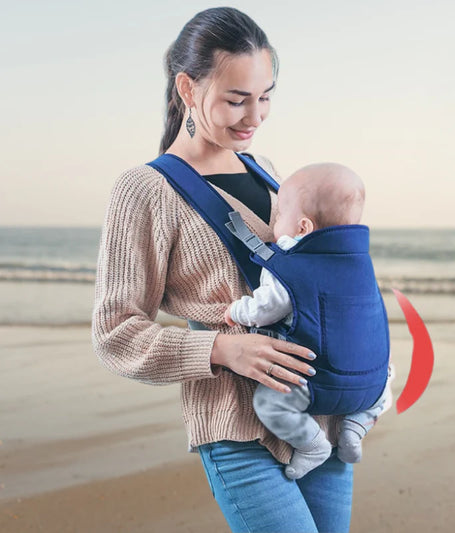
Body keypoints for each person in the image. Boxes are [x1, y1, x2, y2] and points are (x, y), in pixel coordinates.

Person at [92, 7, 356, 533]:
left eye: (265, 96)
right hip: (236, 428)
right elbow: (114, 333)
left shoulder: (271, 175)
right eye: (236, 99)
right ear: (187, 89)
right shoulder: (145, 191)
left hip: (320, 419)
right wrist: (220, 348)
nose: (254, 116)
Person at [224, 163, 394, 480]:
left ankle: (312, 444)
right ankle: (355, 427)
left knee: (271, 405)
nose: (274, 225)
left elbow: (267, 308)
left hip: (318, 383)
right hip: (372, 386)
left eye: (278, 218)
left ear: (302, 227)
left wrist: (237, 311)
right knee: (387, 379)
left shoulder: (292, 264)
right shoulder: (360, 263)